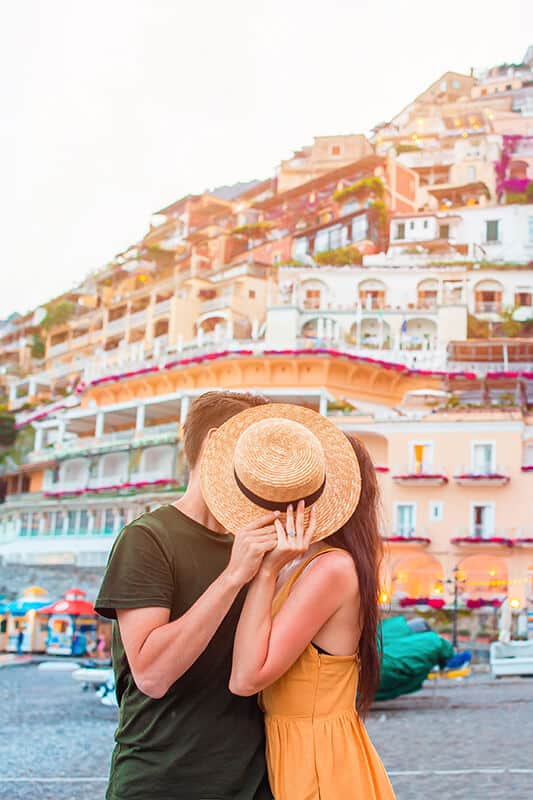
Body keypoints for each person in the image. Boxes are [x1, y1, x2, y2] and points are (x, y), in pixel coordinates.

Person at [200, 404, 395, 800]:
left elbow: (246, 678)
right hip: (300, 750)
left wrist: (265, 574)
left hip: (319, 761)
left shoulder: (331, 570)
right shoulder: (303, 564)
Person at [95, 390, 278, 800]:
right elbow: (152, 675)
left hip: (253, 784)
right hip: (161, 782)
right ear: (214, 444)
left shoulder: (261, 546)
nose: (265, 463)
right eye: (255, 447)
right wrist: (234, 576)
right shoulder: (147, 539)